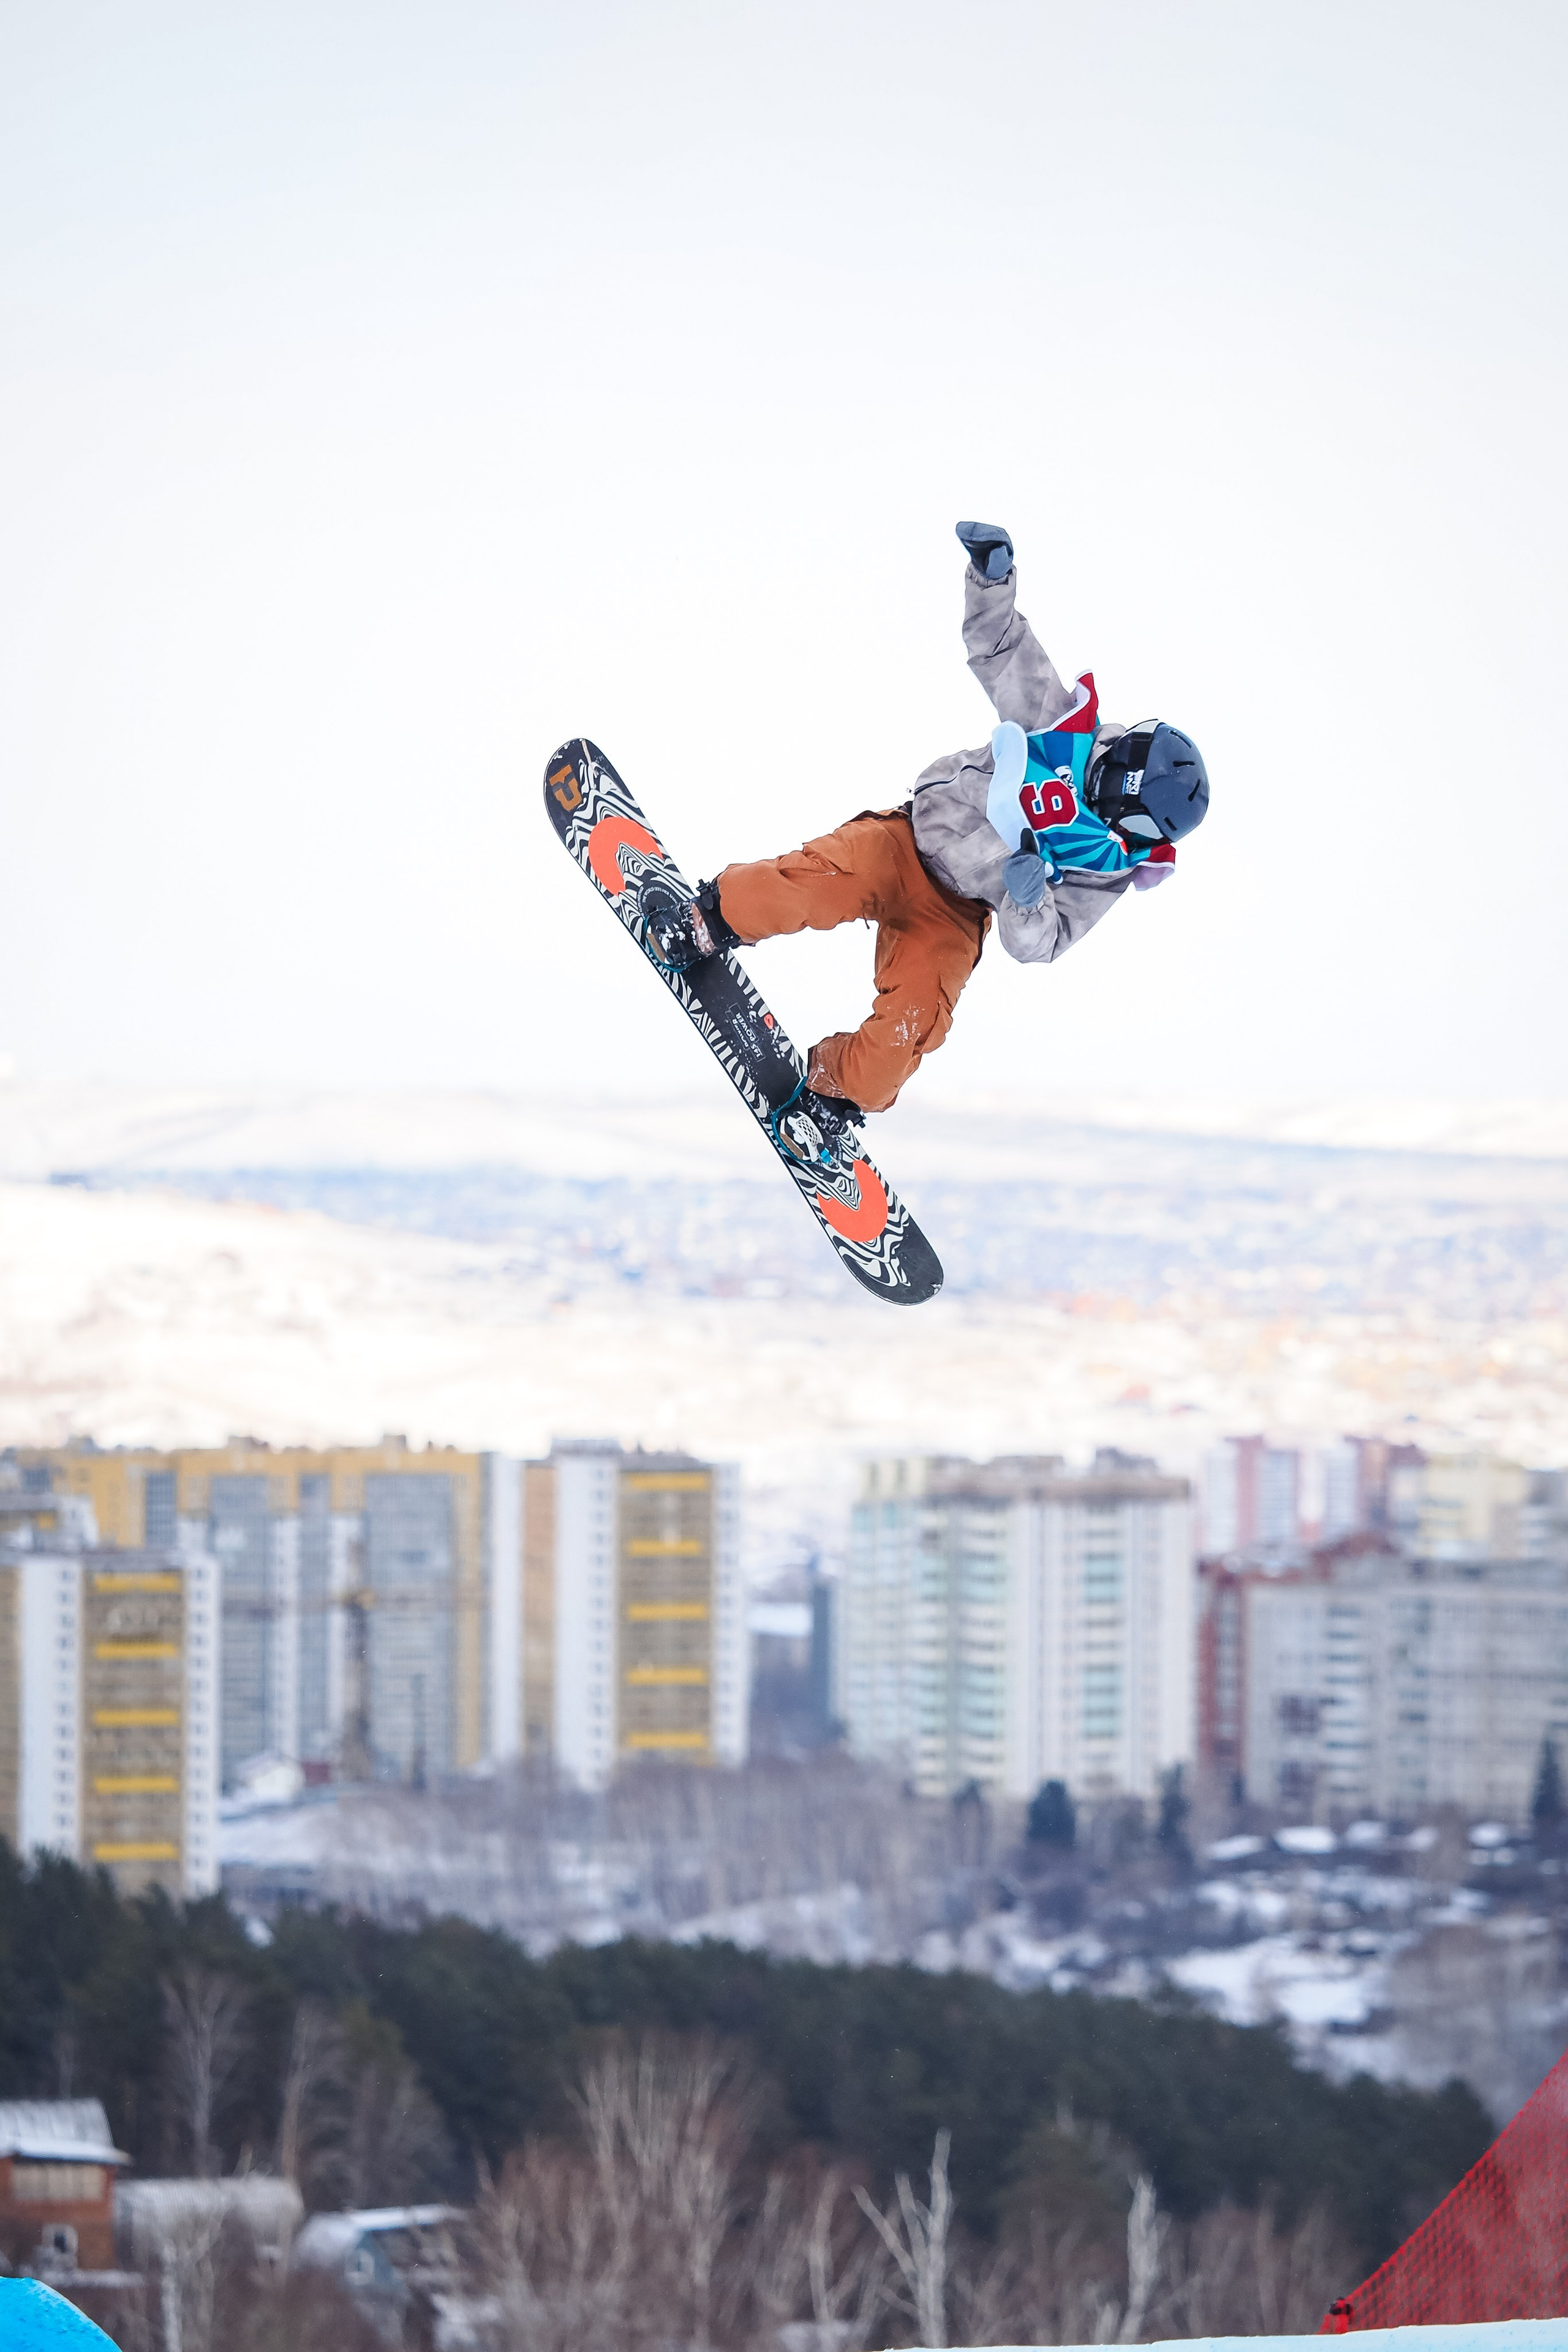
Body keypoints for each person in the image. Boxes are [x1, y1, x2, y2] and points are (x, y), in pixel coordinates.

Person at [641, 520, 1209, 1169]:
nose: (1119, 834)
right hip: (903, 844)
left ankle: (831, 1097)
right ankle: (708, 920)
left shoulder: (1105, 867)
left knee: (912, 1031)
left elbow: (1040, 943)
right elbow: (998, 648)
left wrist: (1025, 900)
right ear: (1117, 772)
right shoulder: (1059, 730)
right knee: (803, 886)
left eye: (1136, 835)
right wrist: (991, 578)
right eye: (1124, 817)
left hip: (957, 914)